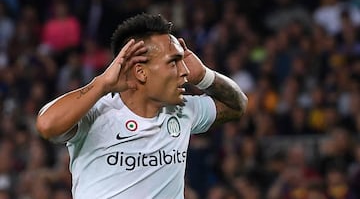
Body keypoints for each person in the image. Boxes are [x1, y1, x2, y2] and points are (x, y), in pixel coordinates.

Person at [36, 13, 248, 199]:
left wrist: (204, 76)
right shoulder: (98, 113)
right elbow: (46, 125)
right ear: (141, 72)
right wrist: (100, 84)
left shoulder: (183, 110)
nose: (184, 71)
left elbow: (237, 105)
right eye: (173, 62)